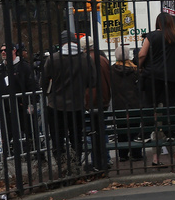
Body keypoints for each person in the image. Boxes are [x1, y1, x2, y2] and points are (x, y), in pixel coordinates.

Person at [41, 31, 97, 172]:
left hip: (56, 105)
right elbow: (93, 81)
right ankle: (76, 162)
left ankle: (62, 165)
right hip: (77, 105)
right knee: (76, 137)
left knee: (57, 138)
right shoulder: (85, 58)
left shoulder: (53, 59)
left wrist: (49, 91)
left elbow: (43, 82)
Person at [110, 44, 143, 161]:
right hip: (134, 103)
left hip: (119, 105)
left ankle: (123, 154)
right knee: (135, 129)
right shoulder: (134, 70)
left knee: (121, 131)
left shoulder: (112, 71)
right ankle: (136, 153)